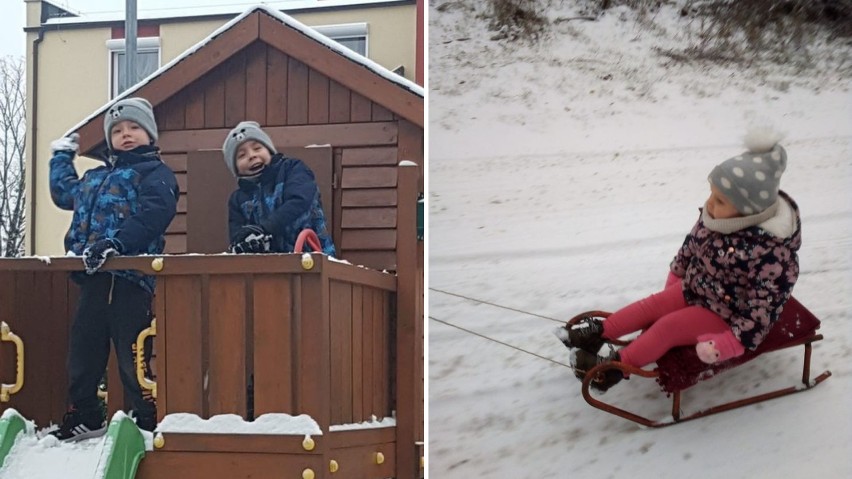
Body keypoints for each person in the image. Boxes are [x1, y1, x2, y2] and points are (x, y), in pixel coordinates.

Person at [556, 129, 801, 392]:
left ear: (748, 209)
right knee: (649, 306)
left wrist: (729, 343)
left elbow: (761, 310)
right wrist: (677, 274)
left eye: (719, 199)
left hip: (725, 314)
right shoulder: (716, 218)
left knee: (667, 328)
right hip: (695, 288)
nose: (710, 203)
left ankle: (612, 370)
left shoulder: (771, 255)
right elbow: (691, 245)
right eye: (711, 193)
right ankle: (599, 333)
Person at [48, 97, 179, 440]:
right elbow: (65, 194)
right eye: (118, 131)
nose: (126, 135)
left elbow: (155, 213)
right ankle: (87, 414)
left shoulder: (155, 173)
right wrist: (61, 156)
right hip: (93, 278)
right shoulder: (95, 177)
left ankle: (144, 417)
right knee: (84, 347)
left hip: (130, 279)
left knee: (131, 350)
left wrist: (117, 243)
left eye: (134, 127)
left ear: (150, 134)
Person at [221, 121, 335, 256]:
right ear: (236, 168)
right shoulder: (238, 199)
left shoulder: (292, 170)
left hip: (312, 257)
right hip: (269, 269)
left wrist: (264, 229)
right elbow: (237, 234)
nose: (251, 156)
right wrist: (245, 242)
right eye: (241, 155)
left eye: (257, 148)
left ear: (269, 150)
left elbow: (299, 201)